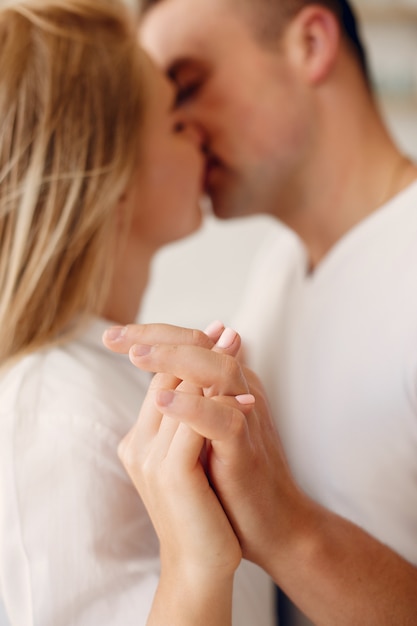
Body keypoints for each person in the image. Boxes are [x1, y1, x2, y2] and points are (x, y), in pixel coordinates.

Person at [103, 0, 417, 624]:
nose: (177, 127)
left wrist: (288, 528)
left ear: (310, 45)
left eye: (187, 86)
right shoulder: (278, 271)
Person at [0, 1, 263, 624]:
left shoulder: (98, 384)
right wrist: (197, 568)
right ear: (111, 174)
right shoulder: (56, 411)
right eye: (175, 120)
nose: (199, 131)